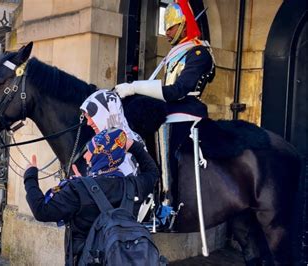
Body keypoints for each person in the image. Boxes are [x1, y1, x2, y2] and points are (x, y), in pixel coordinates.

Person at [115, 0, 215, 204]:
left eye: (171, 27)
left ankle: (167, 199)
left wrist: (134, 87)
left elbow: (177, 91)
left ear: (184, 24)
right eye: (166, 28)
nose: (167, 32)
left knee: (162, 130)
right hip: (172, 107)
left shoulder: (198, 53)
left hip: (187, 109)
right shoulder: (177, 53)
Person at [23, 128, 159, 264]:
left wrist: (30, 175)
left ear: (99, 155)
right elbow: (152, 172)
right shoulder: (133, 186)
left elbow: (42, 211)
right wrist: (134, 146)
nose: (85, 156)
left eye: (89, 151)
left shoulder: (77, 190)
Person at [80, 90, 145, 176]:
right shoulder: (133, 137)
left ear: (106, 113)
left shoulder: (125, 147)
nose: (88, 123)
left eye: (91, 117)